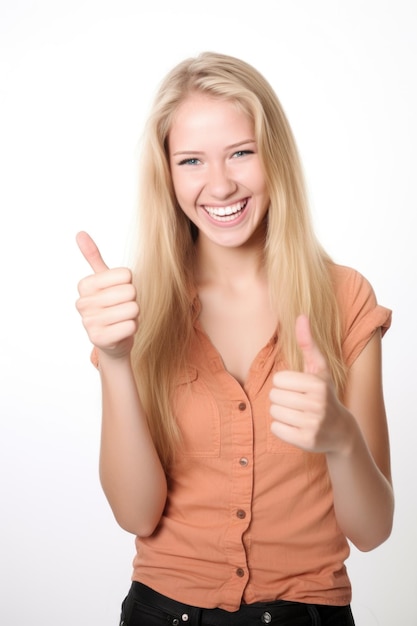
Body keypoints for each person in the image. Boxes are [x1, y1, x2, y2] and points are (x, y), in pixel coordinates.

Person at [76, 52, 394, 626]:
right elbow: (136, 514)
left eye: (241, 153)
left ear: (275, 157)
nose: (219, 184)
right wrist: (117, 362)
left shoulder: (346, 298)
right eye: (191, 160)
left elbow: (372, 531)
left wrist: (343, 440)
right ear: (167, 174)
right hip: (161, 612)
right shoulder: (132, 307)